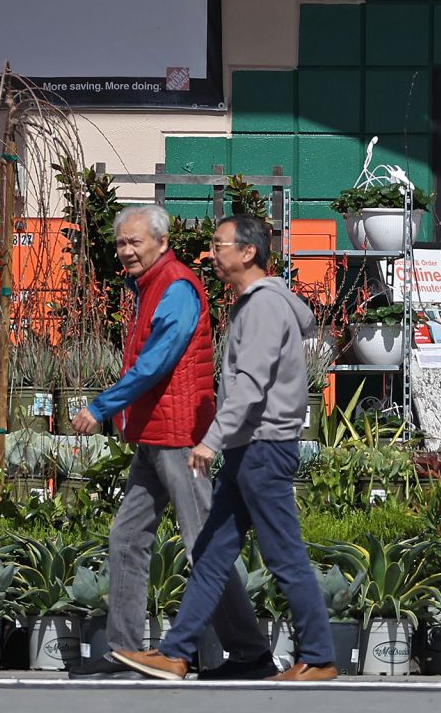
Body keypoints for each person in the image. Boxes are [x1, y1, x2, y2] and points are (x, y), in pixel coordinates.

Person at [113, 214, 338, 682]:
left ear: (248, 252)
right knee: (213, 554)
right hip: (248, 448)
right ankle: (176, 654)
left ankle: (318, 656)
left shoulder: (262, 308)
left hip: (263, 447)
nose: (211, 253)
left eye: (219, 245)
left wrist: (210, 440)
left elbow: (250, 386)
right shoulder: (254, 304)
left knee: (284, 555)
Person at [68, 205, 274, 680]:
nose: (125, 251)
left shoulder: (177, 285)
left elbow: (159, 360)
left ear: (162, 242)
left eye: (134, 242)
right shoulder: (151, 284)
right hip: (155, 434)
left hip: (180, 438)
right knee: (127, 536)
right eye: (121, 243)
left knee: (204, 544)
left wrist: (101, 407)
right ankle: (123, 649)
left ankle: (250, 652)